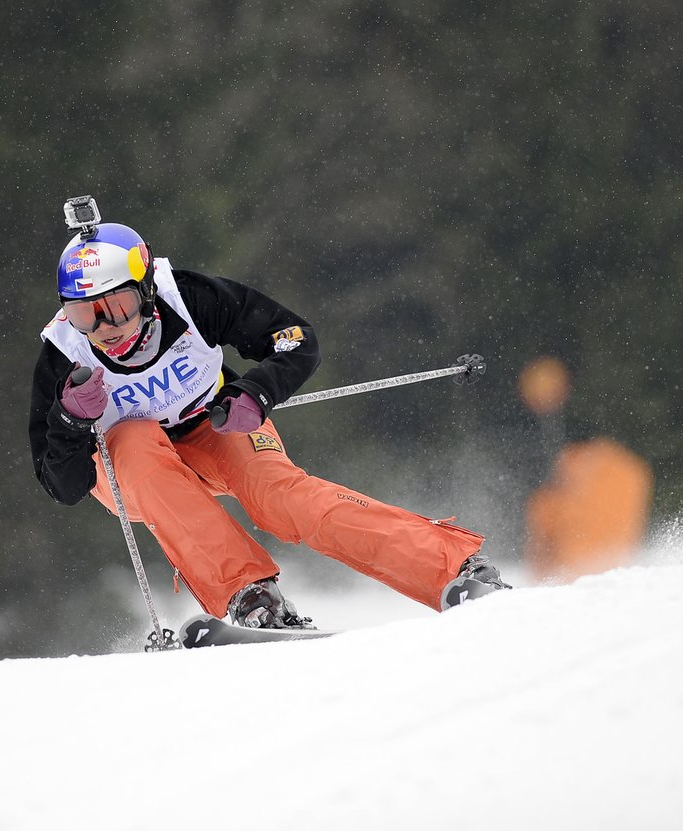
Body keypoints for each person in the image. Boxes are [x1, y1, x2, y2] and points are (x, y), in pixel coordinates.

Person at [28, 206, 510, 629]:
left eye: (118, 307)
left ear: (147, 292)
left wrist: (257, 391)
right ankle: (251, 595)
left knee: (279, 498)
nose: (105, 329)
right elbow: (61, 485)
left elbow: (295, 337)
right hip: (134, 467)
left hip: (212, 425)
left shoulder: (190, 298)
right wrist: (69, 419)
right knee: (132, 441)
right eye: (84, 313)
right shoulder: (64, 353)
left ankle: (454, 568)